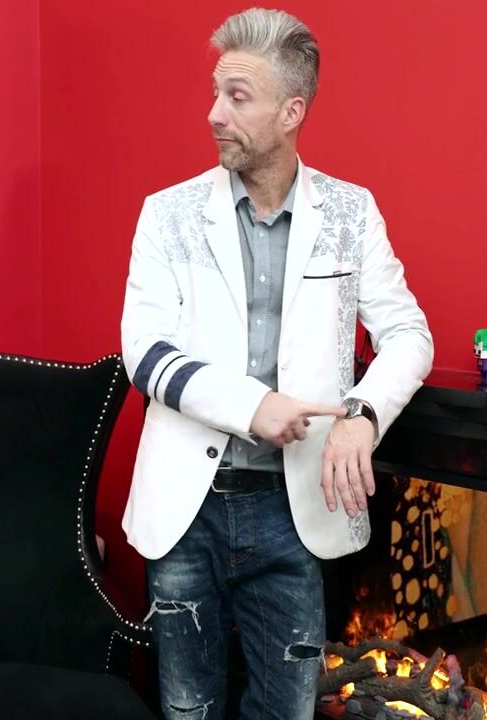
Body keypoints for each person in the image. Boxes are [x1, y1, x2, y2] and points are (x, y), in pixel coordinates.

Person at [119, 8, 433, 719]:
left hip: (296, 512)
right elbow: (146, 350)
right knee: (188, 710)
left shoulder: (351, 213)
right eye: (215, 92)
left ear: (292, 111)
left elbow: (409, 334)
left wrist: (362, 416)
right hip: (186, 509)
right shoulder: (166, 215)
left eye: (237, 97)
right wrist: (252, 407)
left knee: (287, 711)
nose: (214, 114)